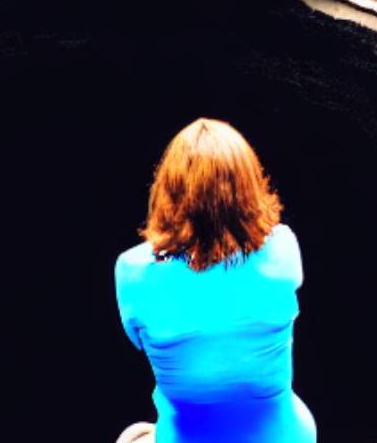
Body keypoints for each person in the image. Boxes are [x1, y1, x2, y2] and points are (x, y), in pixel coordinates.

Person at [114, 118, 316, 443]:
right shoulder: (283, 248)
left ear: (168, 189)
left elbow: (138, 339)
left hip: (190, 437)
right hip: (286, 436)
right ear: (250, 186)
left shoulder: (133, 270)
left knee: (133, 437)